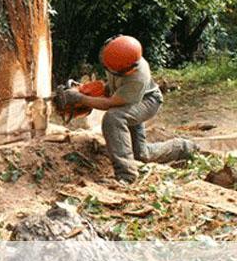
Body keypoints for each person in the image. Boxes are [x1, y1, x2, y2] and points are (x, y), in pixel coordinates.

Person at [63, 35, 197, 183]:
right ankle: (182, 148)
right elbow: (113, 86)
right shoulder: (115, 54)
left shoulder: (137, 78)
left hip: (147, 101)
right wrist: (88, 90)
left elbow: (111, 104)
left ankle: (126, 175)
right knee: (141, 154)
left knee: (114, 118)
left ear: (125, 70)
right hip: (128, 99)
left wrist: (81, 99)